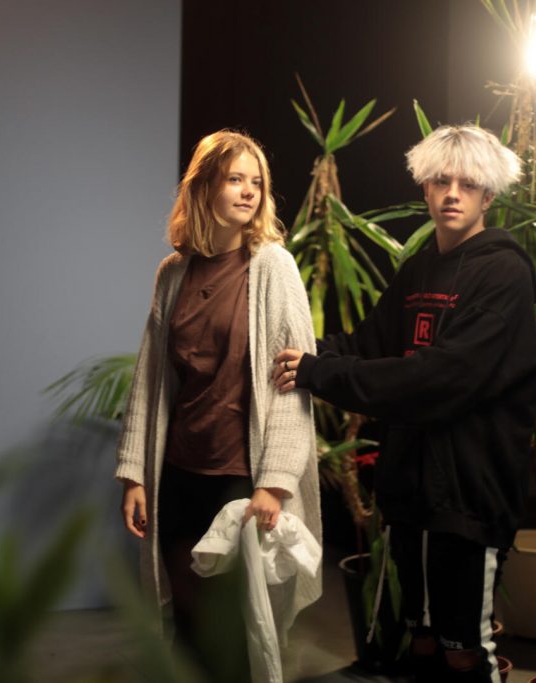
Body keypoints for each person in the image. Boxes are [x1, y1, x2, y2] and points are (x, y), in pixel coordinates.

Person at [273, 124, 536, 683]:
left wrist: (319, 373)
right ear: (424, 188)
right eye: (441, 181)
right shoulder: (419, 269)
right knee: (420, 642)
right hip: (411, 489)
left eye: (468, 184)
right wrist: (292, 353)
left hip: (469, 494)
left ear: (488, 195)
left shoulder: (505, 272)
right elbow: (367, 344)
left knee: (465, 650)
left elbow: (441, 378)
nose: (452, 194)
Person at [115, 130, 320, 682]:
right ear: (205, 187)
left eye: (257, 182)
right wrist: (135, 474)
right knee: (186, 623)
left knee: (235, 628)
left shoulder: (273, 266)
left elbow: (294, 381)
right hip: (180, 472)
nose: (249, 191)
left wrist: (275, 481)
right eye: (235, 179)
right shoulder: (173, 272)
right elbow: (152, 377)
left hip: (240, 477)